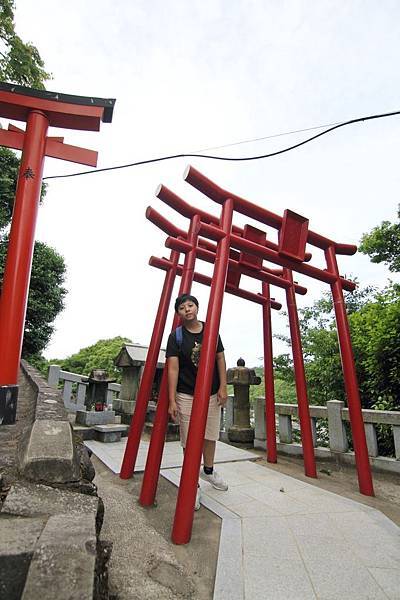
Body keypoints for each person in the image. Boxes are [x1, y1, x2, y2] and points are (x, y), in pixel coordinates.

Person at [166, 293, 229, 510]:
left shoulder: (211, 330)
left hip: (211, 393)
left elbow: (220, 358)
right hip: (186, 393)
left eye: (190, 305)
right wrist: (171, 399)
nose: (187, 310)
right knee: (189, 440)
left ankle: (208, 470)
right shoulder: (176, 337)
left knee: (210, 435)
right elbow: (173, 368)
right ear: (179, 313)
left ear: (197, 307)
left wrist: (223, 386)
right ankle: (192, 484)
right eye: (182, 308)